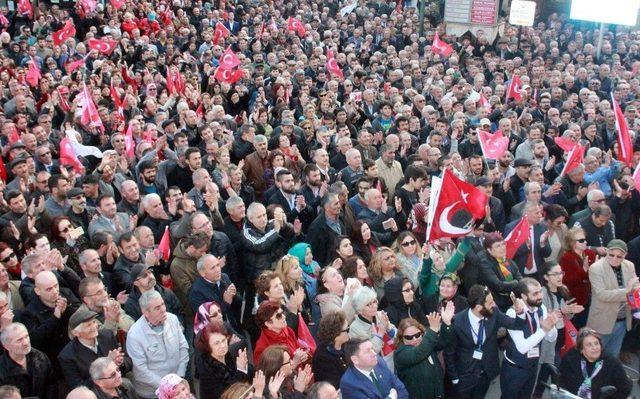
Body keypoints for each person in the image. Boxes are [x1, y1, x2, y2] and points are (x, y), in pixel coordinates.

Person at [444, 285, 526, 399]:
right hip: (464, 376)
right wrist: (454, 378)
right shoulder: (457, 321)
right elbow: (449, 352)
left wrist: (520, 312)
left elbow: (516, 324)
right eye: (490, 303)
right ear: (478, 307)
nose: (494, 305)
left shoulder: (494, 313)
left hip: (486, 373)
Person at [500, 278, 559, 399]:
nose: (540, 296)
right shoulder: (513, 313)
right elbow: (522, 347)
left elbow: (551, 338)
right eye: (535, 293)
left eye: (540, 292)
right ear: (524, 296)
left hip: (532, 366)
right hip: (514, 369)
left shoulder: (541, 307)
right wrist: (544, 329)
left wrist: (551, 326)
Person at [126, 290, 189, 398]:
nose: (163, 309)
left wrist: (179, 377)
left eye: (163, 304)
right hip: (152, 393)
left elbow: (183, 347)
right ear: (145, 312)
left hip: (178, 385)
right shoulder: (135, 335)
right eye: (157, 308)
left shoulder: (172, 319)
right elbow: (141, 371)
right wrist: (168, 386)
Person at [586, 239, 639, 357]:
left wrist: (635, 289)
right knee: (595, 357)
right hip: (602, 321)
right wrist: (627, 290)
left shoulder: (629, 265)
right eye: (611, 255)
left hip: (623, 320)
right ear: (607, 252)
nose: (615, 258)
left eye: (619, 256)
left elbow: (635, 288)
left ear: (625, 255)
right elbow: (602, 295)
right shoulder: (596, 268)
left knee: (613, 358)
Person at [394, 303, 455, 399]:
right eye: (409, 337)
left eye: (417, 335)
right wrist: (433, 329)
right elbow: (419, 352)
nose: (414, 339)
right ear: (401, 339)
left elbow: (443, 342)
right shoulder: (400, 354)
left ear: (422, 333)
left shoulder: (427, 343)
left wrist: (447, 323)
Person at [58, 308, 129, 389]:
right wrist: (107, 365)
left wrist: (120, 362)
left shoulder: (107, 336)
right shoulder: (67, 356)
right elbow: (77, 387)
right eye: (88, 325)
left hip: (119, 385)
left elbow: (128, 361)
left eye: (94, 322)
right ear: (76, 333)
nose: (94, 327)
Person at [559, 328, 632, 399]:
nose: (594, 347)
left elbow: (625, 389)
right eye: (589, 345)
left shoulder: (611, 362)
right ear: (581, 350)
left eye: (596, 343)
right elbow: (561, 381)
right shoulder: (571, 358)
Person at [194, 321, 251, 399]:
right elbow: (227, 394)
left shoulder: (228, 355)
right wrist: (241, 370)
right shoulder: (207, 371)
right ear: (208, 346)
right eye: (217, 343)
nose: (223, 346)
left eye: (223, 340)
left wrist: (246, 367)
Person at [0, 323, 56, 399]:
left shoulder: (40, 357)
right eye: (19, 340)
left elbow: (51, 384)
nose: (26, 342)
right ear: (6, 346)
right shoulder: (2, 369)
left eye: (26, 336)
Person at [339, 338, 409, 399]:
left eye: (372, 348)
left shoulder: (379, 362)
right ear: (355, 360)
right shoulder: (349, 384)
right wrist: (392, 397)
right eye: (367, 351)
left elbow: (401, 389)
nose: (374, 353)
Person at [559, 227, 596, 328]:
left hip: (591, 297)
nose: (585, 242)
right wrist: (583, 270)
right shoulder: (567, 258)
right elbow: (567, 281)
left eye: (585, 239)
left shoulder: (590, 254)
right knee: (578, 327)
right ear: (572, 243)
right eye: (581, 240)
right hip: (576, 299)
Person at [252, 300, 308, 365]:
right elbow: (268, 373)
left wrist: (303, 355)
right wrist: (294, 363)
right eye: (278, 316)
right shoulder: (263, 348)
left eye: (282, 313)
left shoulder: (288, 330)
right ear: (268, 324)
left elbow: (298, 349)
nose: (284, 317)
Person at [312, 311, 350, 388]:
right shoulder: (323, 358)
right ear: (336, 334)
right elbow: (333, 385)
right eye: (347, 329)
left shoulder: (344, 345)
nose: (349, 332)